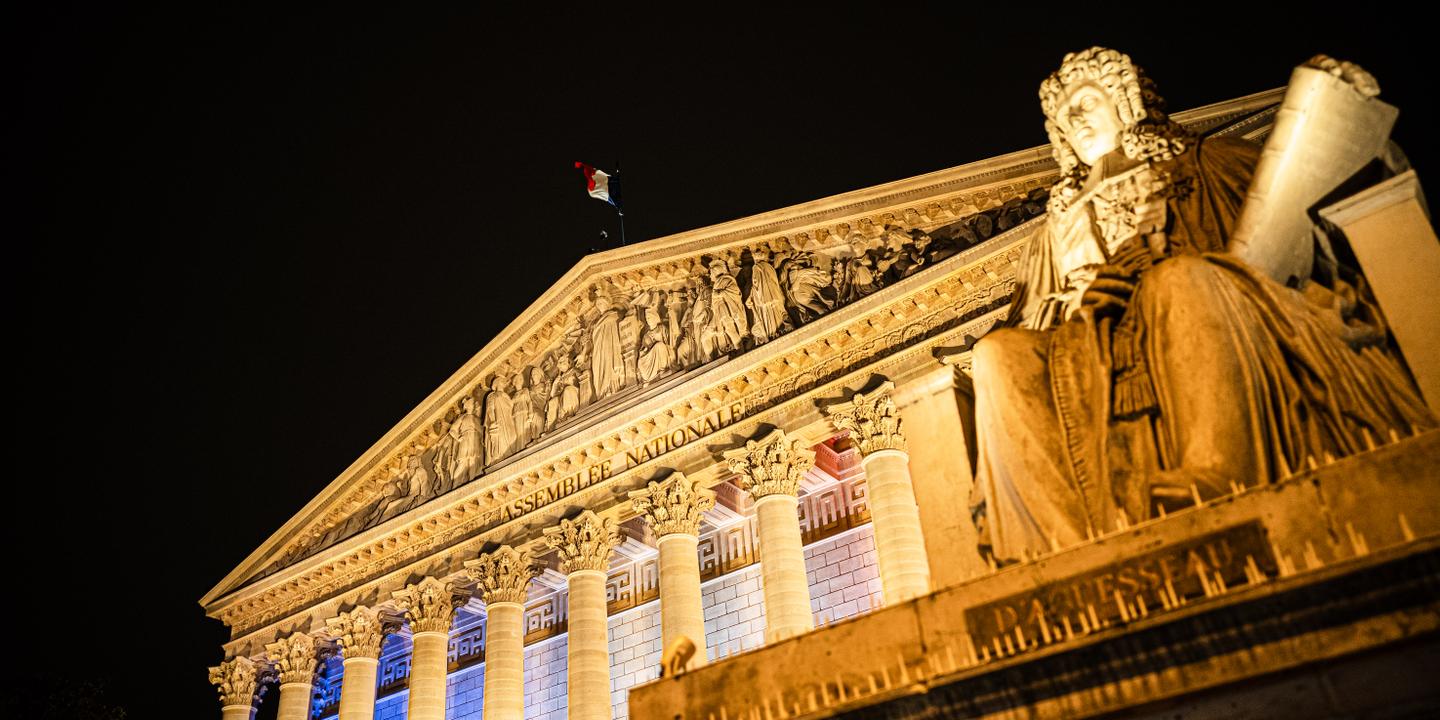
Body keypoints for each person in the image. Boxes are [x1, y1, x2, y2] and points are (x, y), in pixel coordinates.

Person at [968, 47, 1434, 563]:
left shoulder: (1207, 161)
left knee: (1177, 278)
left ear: (1124, 102)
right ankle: (1056, 550)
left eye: (1086, 101)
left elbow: (1312, 195)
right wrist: (1083, 306)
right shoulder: (1051, 235)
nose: (1074, 119)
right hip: (1094, 346)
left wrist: (1340, 107)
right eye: (1063, 117)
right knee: (998, 356)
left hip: (1211, 310)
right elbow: (1034, 321)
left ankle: (1218, 467)